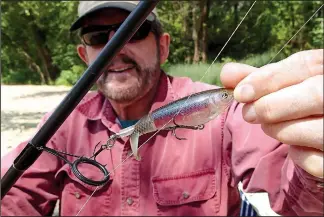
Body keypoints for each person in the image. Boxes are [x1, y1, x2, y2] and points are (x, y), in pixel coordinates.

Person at [1, 1, 323, 216]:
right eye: (99, 37)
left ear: (164, 46)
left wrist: (313, 165)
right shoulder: (63, 127)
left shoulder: (227, 114)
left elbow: (295, 193)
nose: (116, 49)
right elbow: (15, 196)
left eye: (135, 29)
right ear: (85, 57)